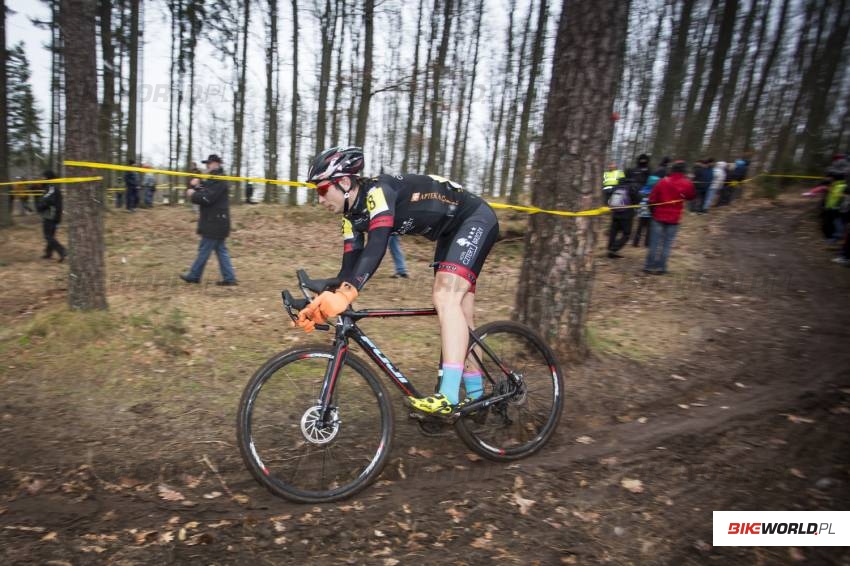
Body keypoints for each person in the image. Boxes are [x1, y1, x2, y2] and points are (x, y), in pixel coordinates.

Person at [295, 146, 500, 415]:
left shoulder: (378, 193)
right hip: (449, 232)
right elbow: (348, 272)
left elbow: (377, 245)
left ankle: (449, 396)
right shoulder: (351, 218)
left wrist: (347, 293)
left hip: (474, 217)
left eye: (322, 190)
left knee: (445, 296)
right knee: (460, 312)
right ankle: (476, 399)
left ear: (344, 182)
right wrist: (321, 300)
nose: (320, 199)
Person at [180, 154, 238, 286]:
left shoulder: (220, 180)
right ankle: (229, 278)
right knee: (220, 250)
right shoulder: (213, 180)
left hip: (215, 223)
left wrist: (193, 194)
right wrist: (196, 186)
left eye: (209, 163)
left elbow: (208, 198)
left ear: (217, 164)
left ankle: (194, 275)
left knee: (205, 249)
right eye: (206, 163)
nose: (207, 165)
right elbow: (205, 190)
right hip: (215, 221)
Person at [643, 160, 695, 274]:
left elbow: (652, 199)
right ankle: (662, 267)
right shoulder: (687, 183)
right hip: (674, 218)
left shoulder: (662, 182)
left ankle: (649, 266)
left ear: (672, 169)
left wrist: (653, 210)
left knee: (654, 242)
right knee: (667, 244)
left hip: (658, 216)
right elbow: (691, 197)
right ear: (684, 170)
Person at [604, 172, 640, 258]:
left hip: (615, 212)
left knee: (614, 232)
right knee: (626, 234)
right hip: (626, 215)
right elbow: (637, 200)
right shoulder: (632, 187)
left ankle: (610, 249)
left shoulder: (617, 185)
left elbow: (608, 196)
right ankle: (613, 249)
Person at [35, 170, 67, 262]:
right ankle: (48, 253)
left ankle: (62, 250)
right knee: (51, 235)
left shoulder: (51, 188)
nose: (41, 179)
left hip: (51, 216)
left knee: (48, 236)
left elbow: (48, 200)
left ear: (47, 178)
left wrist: (40, 205)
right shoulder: (51, 187)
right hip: (54, 215)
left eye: (43, 177)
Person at [633, 175, 659, 247]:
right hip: (650, 213)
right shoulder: (654, 191)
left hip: (642, 212)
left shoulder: (642, 190)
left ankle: (635, 243)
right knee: (649, 229)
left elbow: (638, 200)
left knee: (639, 228)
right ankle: (647, 243)